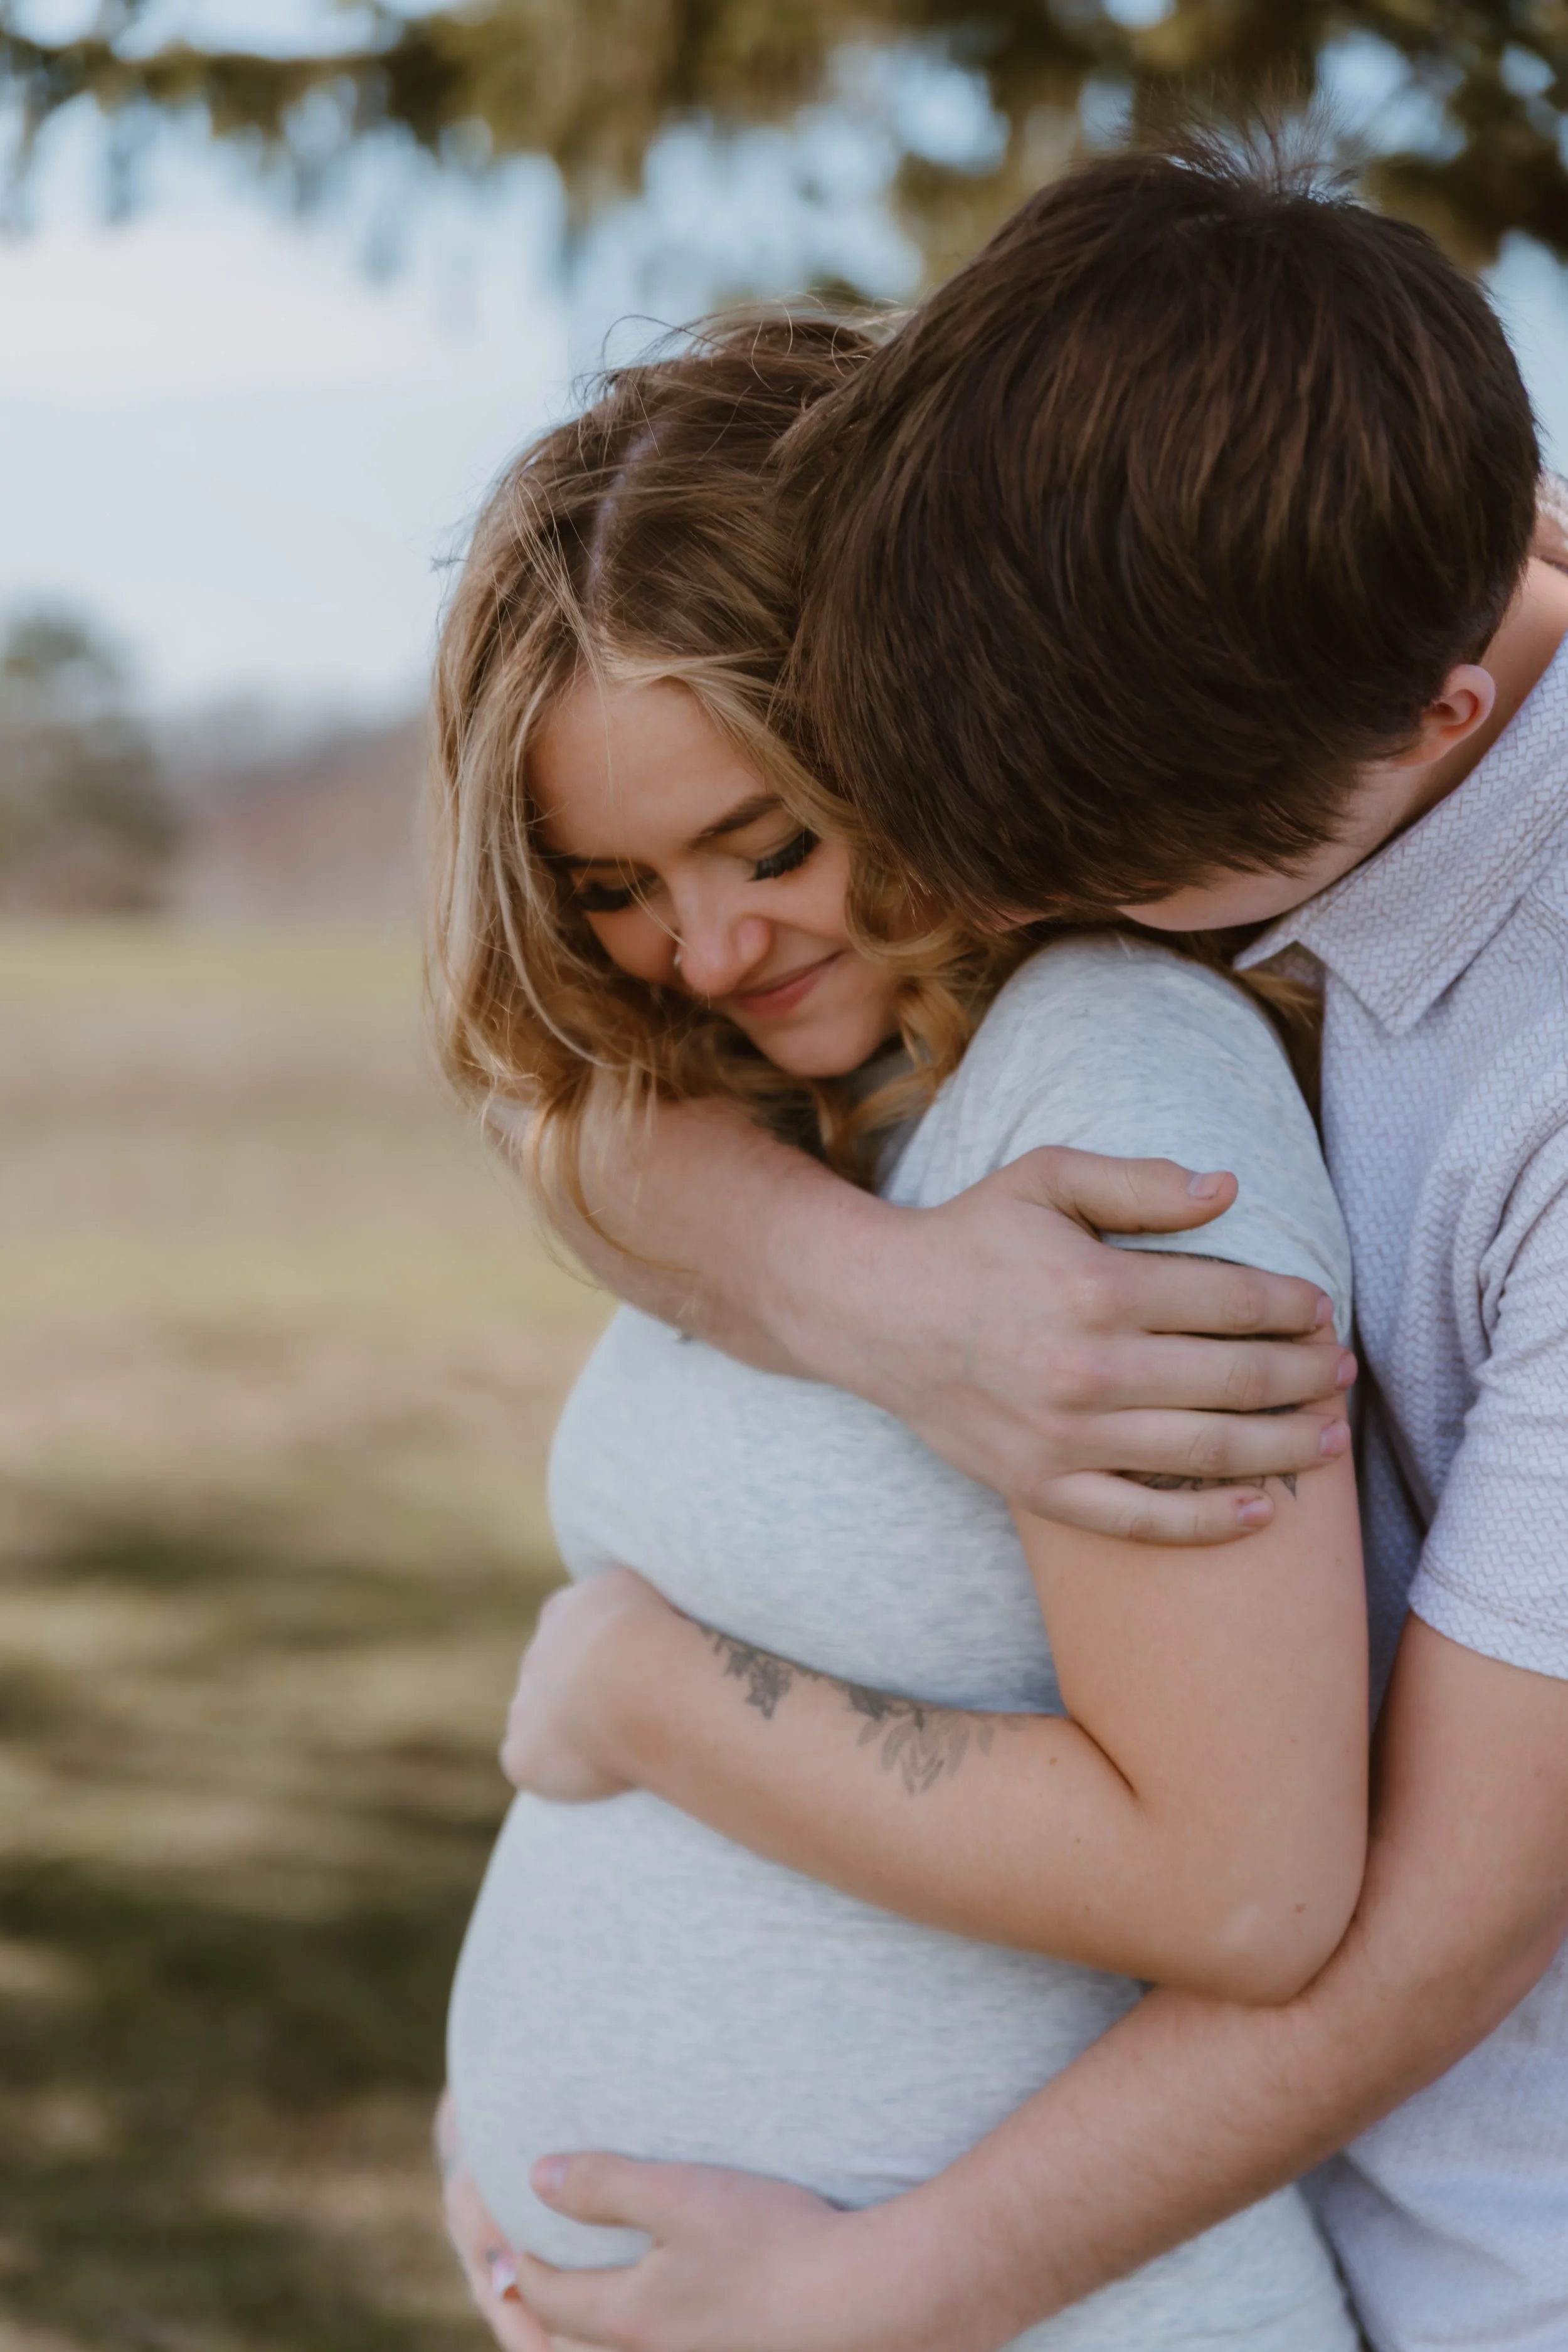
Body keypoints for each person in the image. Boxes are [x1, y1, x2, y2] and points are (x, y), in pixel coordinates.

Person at [462, 133, 1568, 2352]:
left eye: (793, 828)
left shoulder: (1293, 1013)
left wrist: (881, 2288)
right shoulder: (1230, 597)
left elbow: (1402, 1909)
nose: (963, 867)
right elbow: (573, 1098)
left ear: (1428, 720)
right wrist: (878, 1294)